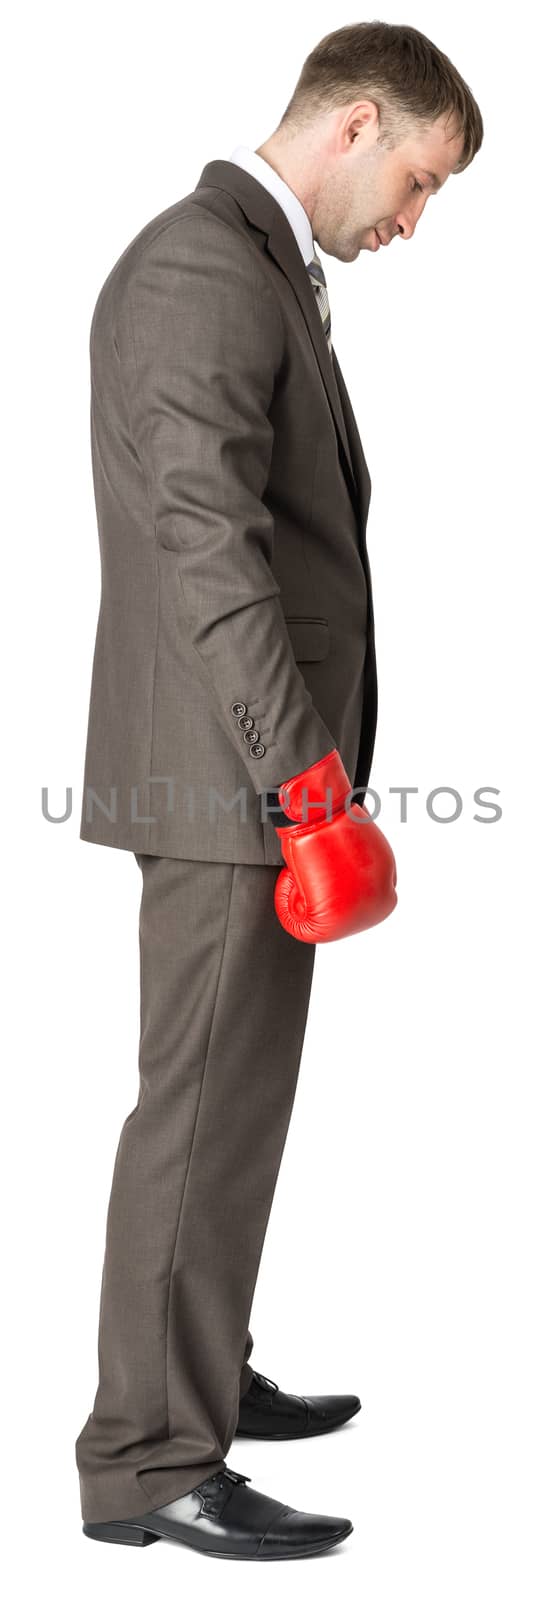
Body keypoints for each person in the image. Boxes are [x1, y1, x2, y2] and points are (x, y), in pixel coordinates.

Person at [75, 20, 483, 1562]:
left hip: (249, 777)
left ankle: (196, 1375)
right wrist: (307, 784)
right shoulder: (200, 267)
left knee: (232, 1113)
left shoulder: (256, 264)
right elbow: (208, 552)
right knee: (193, 1118)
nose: (410, 222)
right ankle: (142, 1460)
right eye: (419, 182)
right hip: (235, 779)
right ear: (358, 121)